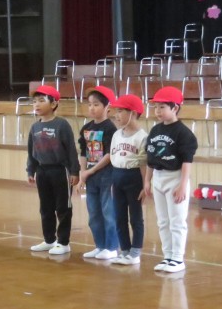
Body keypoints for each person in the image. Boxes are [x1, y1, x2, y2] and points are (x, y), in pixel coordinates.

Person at [144, 86, 198, 274]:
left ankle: (177, 258)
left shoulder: (184, 133)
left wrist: (182, 185)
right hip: (158, 177)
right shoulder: (155, 130)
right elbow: (150, 158)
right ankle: (167, 255)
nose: (157, 111)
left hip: (175, 177)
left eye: (162, 107)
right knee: (162, 221)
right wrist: (147, 180)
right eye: (155, 107)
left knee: (177, 221)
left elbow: (187, 161)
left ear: (175, 108)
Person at [26, 85, 80, 256]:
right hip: (42, 171)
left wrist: (74, 171)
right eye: (35, 101)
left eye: (41, 100)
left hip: (60, 170)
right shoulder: (34, 127)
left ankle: (63, 242)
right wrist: (31, 170)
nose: (37, 104)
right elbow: (31, 151)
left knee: (63, 207)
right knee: (45, 207)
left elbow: (71, 149)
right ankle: (49, 240)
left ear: (54, 103)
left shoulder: (62, 124)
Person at [78, 86, 119, 260]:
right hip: (91, 176)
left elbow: (110, 154)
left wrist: (92, 170)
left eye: (96, 104)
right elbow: (83, 152)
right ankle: (100, 245)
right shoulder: (86, 128)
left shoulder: (111, 129)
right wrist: (83, 172)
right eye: (90, 104)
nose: (92, 108)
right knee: (94, 213)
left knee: (108, 211)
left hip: (106, 175)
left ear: (107, 106)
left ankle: (111, 247)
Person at [109, 95, 148, 266]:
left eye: (120, 111)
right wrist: (113, 181)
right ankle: (124, 250)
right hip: (117, 176)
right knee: (119, 216)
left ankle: (135, 252)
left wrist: (145, 185)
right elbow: (113, 158)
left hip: (134, 178)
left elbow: (144, 163)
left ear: (132, 113)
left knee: (135, 217)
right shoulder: (116, 134)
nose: (116, 115)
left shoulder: (142, 137)